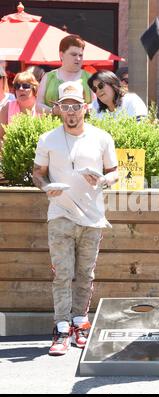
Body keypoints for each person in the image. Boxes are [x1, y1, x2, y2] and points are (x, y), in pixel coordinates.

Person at [33, 81, 118, 356]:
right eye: (65, 106)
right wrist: (45, 186)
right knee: (62, 274)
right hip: (59, 214)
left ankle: (80, 321)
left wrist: (104, 179)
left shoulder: (101, 137)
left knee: (85, 274)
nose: (71, 112)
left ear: (86, 107)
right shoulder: (48, 139)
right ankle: (60, 327)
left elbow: (115, 171)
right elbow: (38, 172)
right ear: (57, 109)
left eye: (76, 106)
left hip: (92, 217)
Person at [36, 34, 93, 115]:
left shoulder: (89, 78)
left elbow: (96, 105)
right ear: (61, 55)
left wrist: (84, 110)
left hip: (82, 125)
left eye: (80, 55)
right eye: (73, 54)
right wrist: (54, 111)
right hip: (53, 126)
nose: (78, 58)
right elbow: (38, 106)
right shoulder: (48, 77)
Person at [0, 70, 39, 143]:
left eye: (25, 85)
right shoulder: (7, 107)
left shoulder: (41, 108)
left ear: (34, 88)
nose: (21, 89)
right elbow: (0, 137)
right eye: (17, 86)